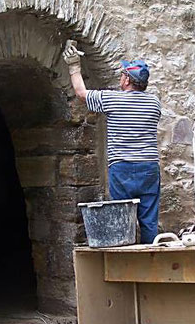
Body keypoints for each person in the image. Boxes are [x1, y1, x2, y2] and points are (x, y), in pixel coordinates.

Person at [63, 41, 161, 244]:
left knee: (121, 220)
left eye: (123, 74)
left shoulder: (113, 100)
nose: (120, 77)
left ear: (127, 80)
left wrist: (74, 65)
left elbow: (81, 93)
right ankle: (152, 263)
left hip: (122, 168)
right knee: (149, 221)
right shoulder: (154, 103)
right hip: (149, 167)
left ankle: (126, 263)